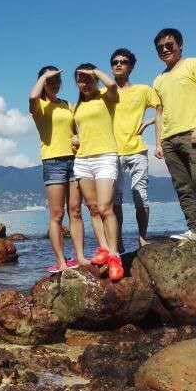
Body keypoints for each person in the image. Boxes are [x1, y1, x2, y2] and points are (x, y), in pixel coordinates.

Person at [152, 28, 196, 250]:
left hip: (193, 133)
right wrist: (158, 142)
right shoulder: (158, 79)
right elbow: (159, 113)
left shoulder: (194, 64)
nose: (165, 49)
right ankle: (195, 228)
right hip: (169, 139)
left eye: (169, 45)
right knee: (182, 186)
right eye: (160, 48)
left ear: (180, 45)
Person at [28, 66, 90, 273]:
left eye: (57, 80)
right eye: (50, 81)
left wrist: (77, 137)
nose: (55, 84)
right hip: (53, 162)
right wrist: (45, 76)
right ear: (43, 83)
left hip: (74, 160)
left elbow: (76, 129)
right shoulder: (39, 105)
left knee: (76, 211)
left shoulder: (66, 105)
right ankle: (61, 262)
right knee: (57, 214)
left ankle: (80, 257)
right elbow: (32, 96)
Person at [72, 64, 124, 281]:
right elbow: (77, 131)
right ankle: (103, 248)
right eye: (80, 79)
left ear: (94, 78)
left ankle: (115, 256)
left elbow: (112, 84)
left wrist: (94, 72)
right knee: (93, 208)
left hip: (105, 157)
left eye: (87, 79)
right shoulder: (77, 106)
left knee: (105, 208)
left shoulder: (105, 96)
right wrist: (74, 138)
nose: (84, 83)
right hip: (83, 160)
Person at [109, 48, 162, 251]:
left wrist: (149, 122)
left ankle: (142, 238)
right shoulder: (106, 92)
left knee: (141, 196)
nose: (118, 64)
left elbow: (163, 109)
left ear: (131, 67)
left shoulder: (143, 90)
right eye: (115, 62)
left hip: (137, 150)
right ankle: (118, 241)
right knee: (115, 201)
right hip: (112, 152)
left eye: (123, 62)